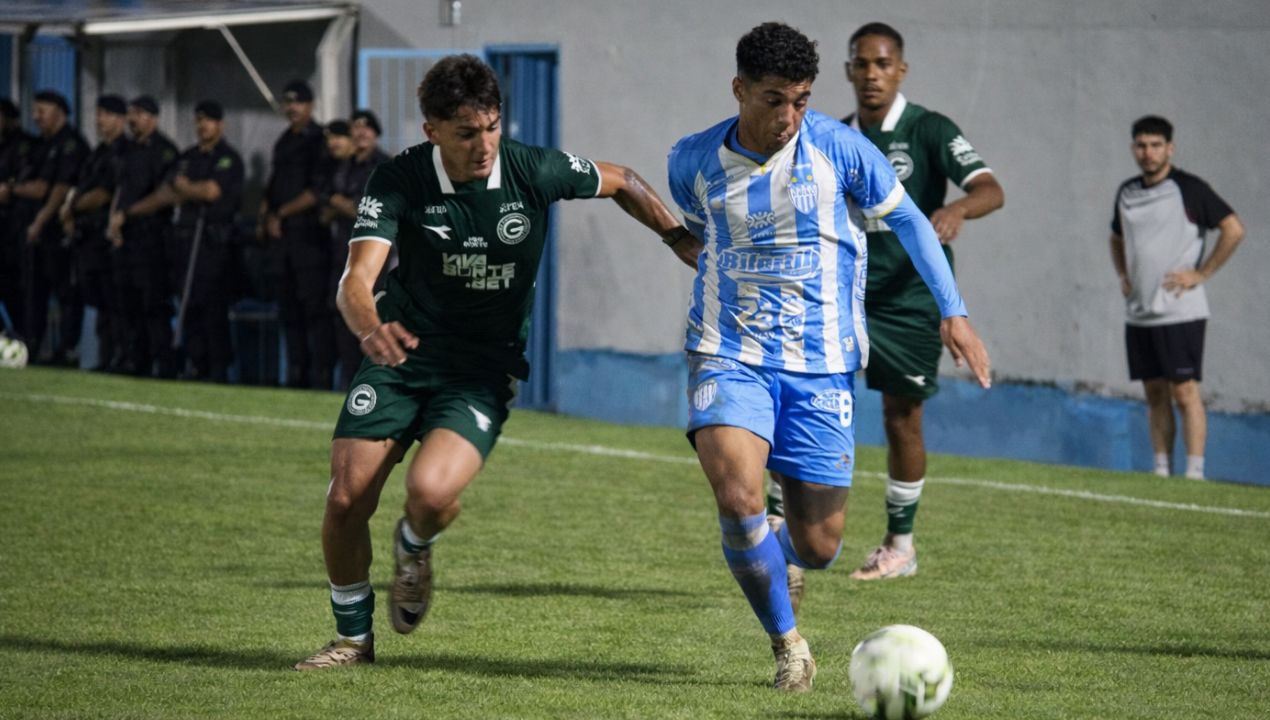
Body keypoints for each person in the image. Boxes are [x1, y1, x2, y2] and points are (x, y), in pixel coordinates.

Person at [293, 54, 697, 671]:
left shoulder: (531, 169)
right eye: (466, 133)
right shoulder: (399, 179)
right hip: (400, 353)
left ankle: (414, 546)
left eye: (491, 127)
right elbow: (356, 279)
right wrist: (369, 327)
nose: (484, 146)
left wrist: (678, 238)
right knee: (346, 499)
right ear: (432, 131)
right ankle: (352, 639)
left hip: (481, 369)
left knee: (430, 495)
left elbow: (622, 180)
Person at [667, 22, 990, 691]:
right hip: (728, 350)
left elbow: (910, 221)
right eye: (774, 100)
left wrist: (953, 311)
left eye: (802, 100)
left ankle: (777, 546)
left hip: (820, 363)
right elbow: (702, 231)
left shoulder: (840, 150)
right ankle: (789, 647)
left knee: (819, 547)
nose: (789, 116)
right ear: (739, 89)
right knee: (738, 496)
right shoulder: (691, 160)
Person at [765, 22, 1006, 587]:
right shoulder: (829, 134)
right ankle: (778, 527)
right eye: (862, 64)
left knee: (902, 417)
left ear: (901, 70)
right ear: (848, 71)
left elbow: (990, 189)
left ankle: (900, 545)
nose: (872, 75)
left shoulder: (928, 129)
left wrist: (956, 210)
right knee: (793, 402)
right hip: (839, 296)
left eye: (882, 64)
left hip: (909, 301)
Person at [1109, 115, 1243, 481]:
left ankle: (1194, 472)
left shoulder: (1190, 189)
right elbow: (1116, 237)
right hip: (1139, 312)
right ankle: (1161, 470)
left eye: (1156, 145)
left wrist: (1201, 274)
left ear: (1170, 148)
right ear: (1133, 148)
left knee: (1184, 392)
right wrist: (1123, 273)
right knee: (1154, 393)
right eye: (1141, 145)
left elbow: (1233, 229)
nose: (1148, 153)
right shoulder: (1126, 192)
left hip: (1180, 311)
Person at [166, 100, 246, 382]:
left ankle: (217, 367)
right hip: (187, 240)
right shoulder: (188, 157)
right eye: (199, 120)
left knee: (213, 307)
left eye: (208, 120)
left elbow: (211, 192)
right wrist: (192, 190)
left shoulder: (228, 158)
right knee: (190, 305)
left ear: (220, 124)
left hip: (215, 245)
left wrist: (187, 188)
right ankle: (195, 362)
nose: (203, 126)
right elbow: (172, 191)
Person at [259, 80, 331, 389]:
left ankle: (320, 375)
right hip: (283, 242)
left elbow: (317, 191)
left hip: (309, 239)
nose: (292, 108)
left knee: (314, 311)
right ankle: (296, 372)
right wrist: (266, 217)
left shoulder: (319, 141)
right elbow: (273, 184)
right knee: (289, 310)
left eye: (298, 102)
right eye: (288, 103)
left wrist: (281, 214)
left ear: (311, 105)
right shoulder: (284, 141)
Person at [13, 90, 89, 365]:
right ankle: (32, 347)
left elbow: (57, 189)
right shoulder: (40, 145)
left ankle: (66, 350)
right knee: (34, 291)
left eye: (41, 111)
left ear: (59, 112)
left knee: (66, 292)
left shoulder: (71, 144)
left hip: (59, 231)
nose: (35, 117)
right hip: (36, 232)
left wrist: (39, 220)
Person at [107, 95, 179, 377]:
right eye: (131, 113)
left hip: (153, 239)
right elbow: (121, 188)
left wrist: (127, 214)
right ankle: (134, 360)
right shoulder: (126, 149)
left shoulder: (165, 151)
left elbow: (165, 195)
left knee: (154, 304)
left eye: (138, 113)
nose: (132, 119)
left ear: (153, 118)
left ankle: (164, 363)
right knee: (128, 303)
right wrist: (114, 222)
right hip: (127, 239)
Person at [319, 112, 389, 389]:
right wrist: (341, 206)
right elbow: (327, 206)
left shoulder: (384, 166)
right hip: (341, 250)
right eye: (355, 129)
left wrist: (341, 204)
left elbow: (369, 210)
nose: (360, 134)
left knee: (370, 314)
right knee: (341, 315)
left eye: (366, 129)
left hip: (374, 256)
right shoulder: (343, 166)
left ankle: (373, 384)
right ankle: (349, 383)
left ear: (375, 133)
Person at [59, 95, 129, 371]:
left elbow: (102, 193)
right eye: (98, 114)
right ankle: (106, 356)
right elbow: (81, 186)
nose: (99, 120)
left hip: (106, 238)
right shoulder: (98, 152)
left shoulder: (122, 152)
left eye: (105, 114)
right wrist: (71, 211)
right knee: (99, 300)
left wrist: (72, 207)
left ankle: (120, 355)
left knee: (114, 300)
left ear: (120, 119)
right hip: (87, 237)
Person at [0, 97, 38, 336]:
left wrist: (10, 188)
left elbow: (33, 184)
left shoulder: (26, 145)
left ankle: (24, 340)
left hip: (18, 231)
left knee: (18, 291)